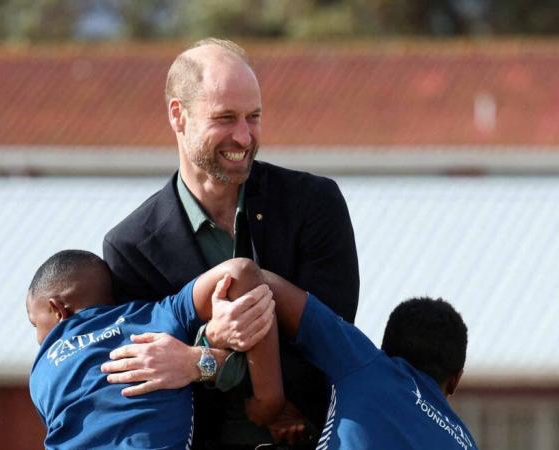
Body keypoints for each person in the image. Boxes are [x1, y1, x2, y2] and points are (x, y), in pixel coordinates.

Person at [103, 38, 359, 448]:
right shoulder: (130, 248)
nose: (244, 137)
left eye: (253, 117)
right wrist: (214, 346)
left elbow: (331, 350)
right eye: (225, 118)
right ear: (178, 115)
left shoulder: (315, 205)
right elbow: (145, 385)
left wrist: (200, 359)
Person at [27, 250, 283, 450]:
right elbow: (241, 270)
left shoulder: (42, 368)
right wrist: (267, 399)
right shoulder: (158, 316)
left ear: (58, 309)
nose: (39, 339)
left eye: (34, 324)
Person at [260, 270, 479, 450]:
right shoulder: (467, 444)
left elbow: (254, 279)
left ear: (384, 351)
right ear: (455, 380)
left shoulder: (366, 364)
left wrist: (269, 399)